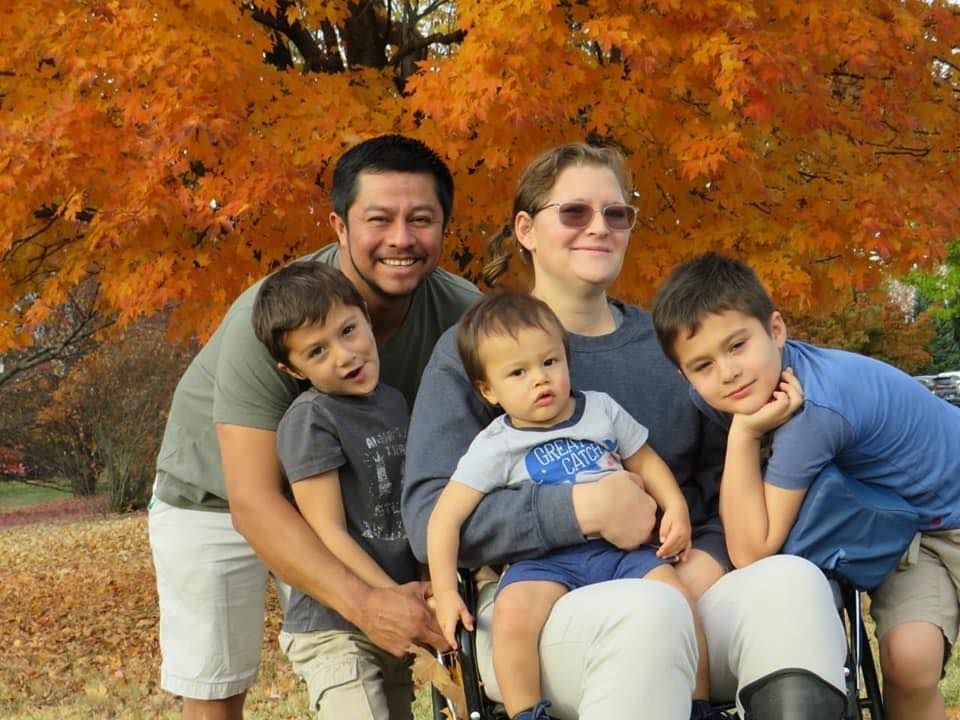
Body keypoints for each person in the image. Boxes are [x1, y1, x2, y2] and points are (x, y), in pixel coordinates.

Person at [402, 142, 849, 719]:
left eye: (617, 214)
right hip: (539, 611)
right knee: (647, 612)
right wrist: (579, 510)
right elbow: (429, 515)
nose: (600, 227)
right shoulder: (478, 349)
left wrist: (707, 557)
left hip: (677, 582)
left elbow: (721, 487)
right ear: (526, 229)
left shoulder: (673, 345)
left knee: (794, 584)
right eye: (574, 212)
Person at [149, 134, 481, 720]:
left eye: (421, 219)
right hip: (218, 495)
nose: (401, 239)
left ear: (444, 227)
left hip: (353, 494)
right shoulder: (275, 316)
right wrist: (367, 601)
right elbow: (254, 503)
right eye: (379, 218)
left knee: (378, 671)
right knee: (216, 686)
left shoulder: (465, 316)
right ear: (339, 225)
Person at [651, 251, 960, 720]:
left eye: (737, 346)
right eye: (703, 364)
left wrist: (745, 433)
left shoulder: (811, 410)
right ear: (684, 375)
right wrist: (745, 433)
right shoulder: (729, 397)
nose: (727, 372)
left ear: (776, 331)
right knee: (909, 660)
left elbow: (751, 551)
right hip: (909, 527)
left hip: (949, 503)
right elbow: (750, 543)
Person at [427, 291, 718, 720]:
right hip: (545, 561)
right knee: (511, 617)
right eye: (518, 372)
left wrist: (675, 507)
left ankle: (698, 704)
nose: (539, 379)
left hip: (621, 552)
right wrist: (447, 590)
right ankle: (525, 712)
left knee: (677, 600)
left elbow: (647, 461)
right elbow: (444, 518)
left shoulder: (600, 410)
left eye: (550, 362)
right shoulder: (495, 445)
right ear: (488, 389)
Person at [250, 261, 418, 719]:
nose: (344, 355)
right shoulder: (312, 419)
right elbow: (329, 532)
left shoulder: (395, 402)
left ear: (365, 315)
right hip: (334, 626)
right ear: (293, 368)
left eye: (348, 330)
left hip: (393, 613)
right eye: (317, 351)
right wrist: (394, 597)